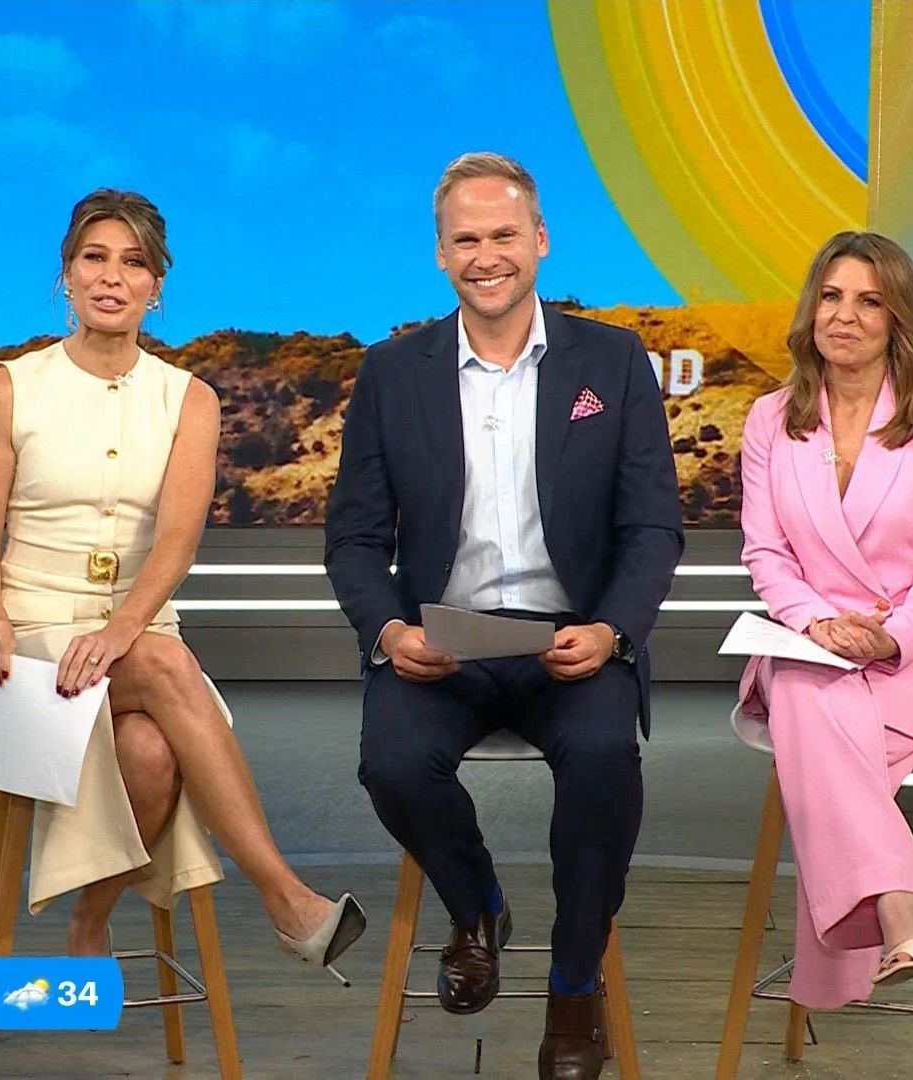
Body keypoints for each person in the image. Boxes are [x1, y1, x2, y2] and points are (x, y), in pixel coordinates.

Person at [324, 152, 682, 1079]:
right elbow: (354, 542)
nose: (487, 256)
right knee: (392, 764)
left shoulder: (612, 360)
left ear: (541, 241)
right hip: (441, 642)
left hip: (574, 639)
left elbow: (652, 528)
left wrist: (612, 632)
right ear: (441, 254)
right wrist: (390, 632)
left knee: (603, 761)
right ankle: (479, 906)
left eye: (504, 235)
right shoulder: (390, 373)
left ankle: (573, 989)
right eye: (466, 239)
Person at [0, 188, 364, 975]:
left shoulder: (190, 399)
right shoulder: (9, 389)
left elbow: (177, 538)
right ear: (66, 275)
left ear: (156, 286)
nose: (112, 277)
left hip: (135, 632)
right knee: (171, 667)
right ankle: (286, 900)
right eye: (94, 258)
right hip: (30, 642)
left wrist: (120, 631)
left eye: (133, 263)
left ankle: (89, 919)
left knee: (149, 752)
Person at [734, 230, 913, 1008]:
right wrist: (817, 623)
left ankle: (885, 911)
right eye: (831, 296)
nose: (844, 316)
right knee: (806, 687)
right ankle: (901, 904)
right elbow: (766, 553)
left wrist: (890, 635)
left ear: (897, 319)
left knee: (809, 716)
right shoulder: (770, 419)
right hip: (809, 643)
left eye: (869, 301)